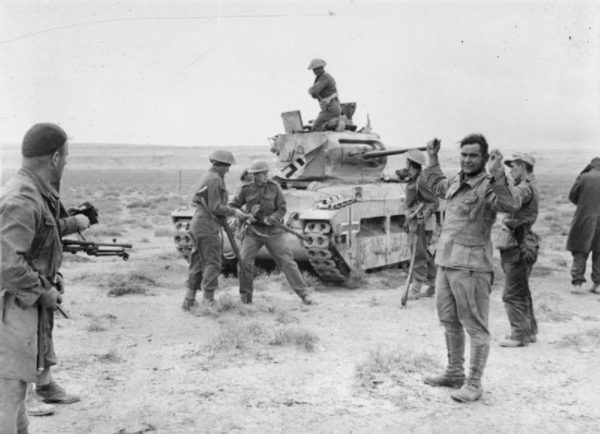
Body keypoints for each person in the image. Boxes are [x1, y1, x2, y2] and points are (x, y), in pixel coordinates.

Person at [1, 123, 91, 432]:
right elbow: (7, 264)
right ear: (54, 158)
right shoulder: (23, 199)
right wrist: (44, 291)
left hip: (19, 304)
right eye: (65, 157)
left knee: (16, 401)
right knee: (8, 397)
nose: (66, 163)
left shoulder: (34, 193)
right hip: (11, 307)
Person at [421, 134, 521, 403]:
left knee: (475, 327)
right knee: (449, 322)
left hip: (472, 267)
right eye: (464, 154)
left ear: (484, 158)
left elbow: (510, 204)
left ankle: (474, 383)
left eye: (473, 155)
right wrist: (433, 157)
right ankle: (454, 373)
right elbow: (438, 186)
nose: (467, 160)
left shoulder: (489, 185)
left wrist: (499, 175)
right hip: (446, 262)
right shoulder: (457, 180)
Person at [230, 160, 314, 305]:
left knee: (287, 262)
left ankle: (304, 294)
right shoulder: (246, 189)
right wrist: (242, 213)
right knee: (244, 262)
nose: (265, 175)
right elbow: (233, 205)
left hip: (273, 232)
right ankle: (246, 297)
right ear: (254, 175)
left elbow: (282, 208)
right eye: (261, 173)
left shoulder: (274, 187)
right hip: (253, 231)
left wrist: (273, 218)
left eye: (265, 172)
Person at [183, 150, 250, 310]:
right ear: (221, 165)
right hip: (206, 224)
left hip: (199, 222)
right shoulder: (215, 180)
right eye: (227, 166)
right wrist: (235, 212)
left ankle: (189, 300)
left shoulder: (208, 176)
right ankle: (208, 301)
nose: (228, 170)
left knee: (198, 262)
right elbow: (215, 207)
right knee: (212, 262)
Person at [495, 154, 540, 347]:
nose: (511, 170)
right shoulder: (530, 185)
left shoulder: (524, 188)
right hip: (523, 242)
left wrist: (498, 178)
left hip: (518, 244)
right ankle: (528, 331)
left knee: (512, 293)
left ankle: (519, 335)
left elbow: (511, 199)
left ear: (522, 166)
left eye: (513, 167)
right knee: (522, 289)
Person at [396, 150, 438, 300]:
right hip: (414, 221)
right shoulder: (414, 178)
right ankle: (435, 283)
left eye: (407, 162)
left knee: (418, 254)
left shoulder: (422, 181)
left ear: (410, 163)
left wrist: (424, 215)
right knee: (423, 253)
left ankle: (416, 286)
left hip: (422, 224)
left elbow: (434, 202)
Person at [567, 157, 600, 295]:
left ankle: (578, 282)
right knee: (599, 252)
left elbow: (572, 196)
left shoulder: (584, 177)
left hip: (584, 218)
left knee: (580, 250)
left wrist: (584, 204)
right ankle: (598, 284)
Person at [307, 58, 342, 131]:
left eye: (316, 69)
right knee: (322, 126)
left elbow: (314, 91)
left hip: (330, 109)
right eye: (314, 70)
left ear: (321, 68)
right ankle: (334, 124)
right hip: (331, 108)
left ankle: (336, 123)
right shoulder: (323, 77)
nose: (314, 71)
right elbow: (314, 93)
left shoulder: (324, 77)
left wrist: (311, 90)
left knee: (316, 127)